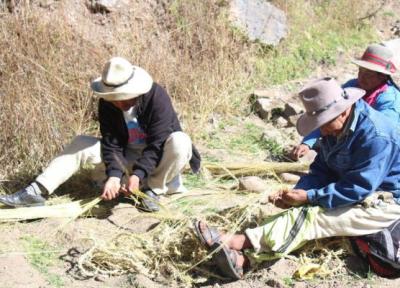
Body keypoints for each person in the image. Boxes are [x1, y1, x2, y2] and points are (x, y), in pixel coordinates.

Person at [194, 77, 400, 280]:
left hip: (385, 201)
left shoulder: (377, 136)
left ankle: (237, 241)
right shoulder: (335, 129)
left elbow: (358, 188)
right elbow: (322, 168)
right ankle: (243, 261)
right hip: (353, 189)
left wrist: (310, 197)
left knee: (314, 218)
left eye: (324, 123)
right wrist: (298, 192)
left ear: (344, 111)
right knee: (301, 211)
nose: (322, 130)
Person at [0, 57, 201, 212]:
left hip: (158, 161)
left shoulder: (157, 97)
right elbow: (111, 142)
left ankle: (152, 192)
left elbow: (157, 144)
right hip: (126, 157)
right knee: (81, 142)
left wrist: (139, 175)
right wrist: (115, 175)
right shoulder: (107, 103)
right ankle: (36, 191)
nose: (119, 103)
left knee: (181, 142)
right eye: (114, 98)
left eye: (124, 97)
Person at [290, 43, 400, 161]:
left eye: (368, 74)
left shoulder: (389, 101)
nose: (361, 78)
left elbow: (382, 138)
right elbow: (324, 112)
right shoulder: (352, 86)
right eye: (360, 71)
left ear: (382, 77)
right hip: (343, 139)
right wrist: (308, 142)